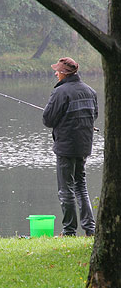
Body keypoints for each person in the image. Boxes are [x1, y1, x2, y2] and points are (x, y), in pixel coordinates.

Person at [43, 57, 98, 237]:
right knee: (81, 185)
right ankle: (90, 228)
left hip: (66, 147)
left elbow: (48, 120)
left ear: (64, 73)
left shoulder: (60, 92)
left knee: (65, 188)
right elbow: (94, 115)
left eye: (57, 71)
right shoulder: (90, 91)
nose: (55, 73)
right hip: (83, 146)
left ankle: (69, 230)